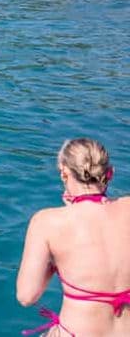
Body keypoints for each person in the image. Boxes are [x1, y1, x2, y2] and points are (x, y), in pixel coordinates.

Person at [17, 138, 130, 336]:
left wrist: (55, 260)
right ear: (108, 173)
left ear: (64, 172)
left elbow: (27, 296)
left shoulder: (47, 222)